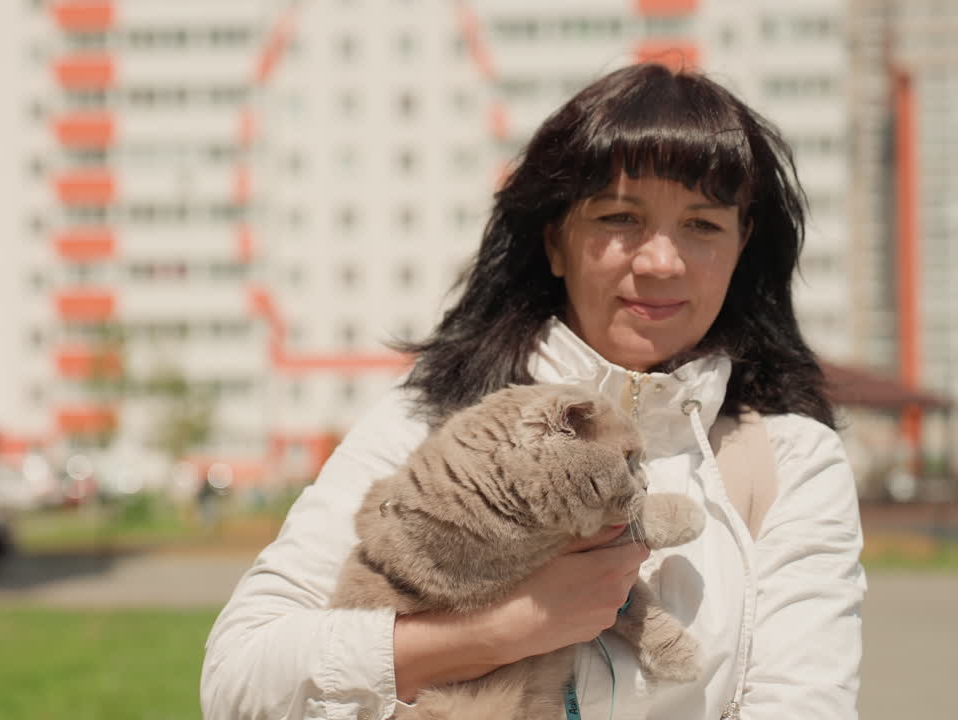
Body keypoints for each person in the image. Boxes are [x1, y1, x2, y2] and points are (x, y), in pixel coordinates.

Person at [201, 63, 865, 720]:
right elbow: (238, 678)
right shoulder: (428, 425)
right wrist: (495, 631)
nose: (660, 260)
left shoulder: (791, 462)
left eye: (703, 225)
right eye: (619, 216)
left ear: (743, 244)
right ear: (555, 241)